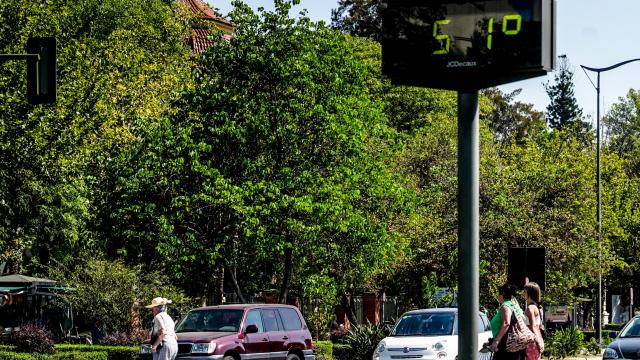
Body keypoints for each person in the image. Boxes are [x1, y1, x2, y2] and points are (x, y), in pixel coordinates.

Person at [488, 283, 526, 360]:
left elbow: (506, 323)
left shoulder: (506, 306)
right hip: (515, 343)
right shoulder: (514, 305)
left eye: (499, 293)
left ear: (503, 294)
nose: (497, 296)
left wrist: (496, 341)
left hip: (506, 344)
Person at [524, 282, 544, 360]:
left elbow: (533, 327)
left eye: (525, 291)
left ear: (530, 293)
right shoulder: (536, 307)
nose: (523, 293)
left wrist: (538, 342)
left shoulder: (530, 308)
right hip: (536, 339)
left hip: (531, 342)